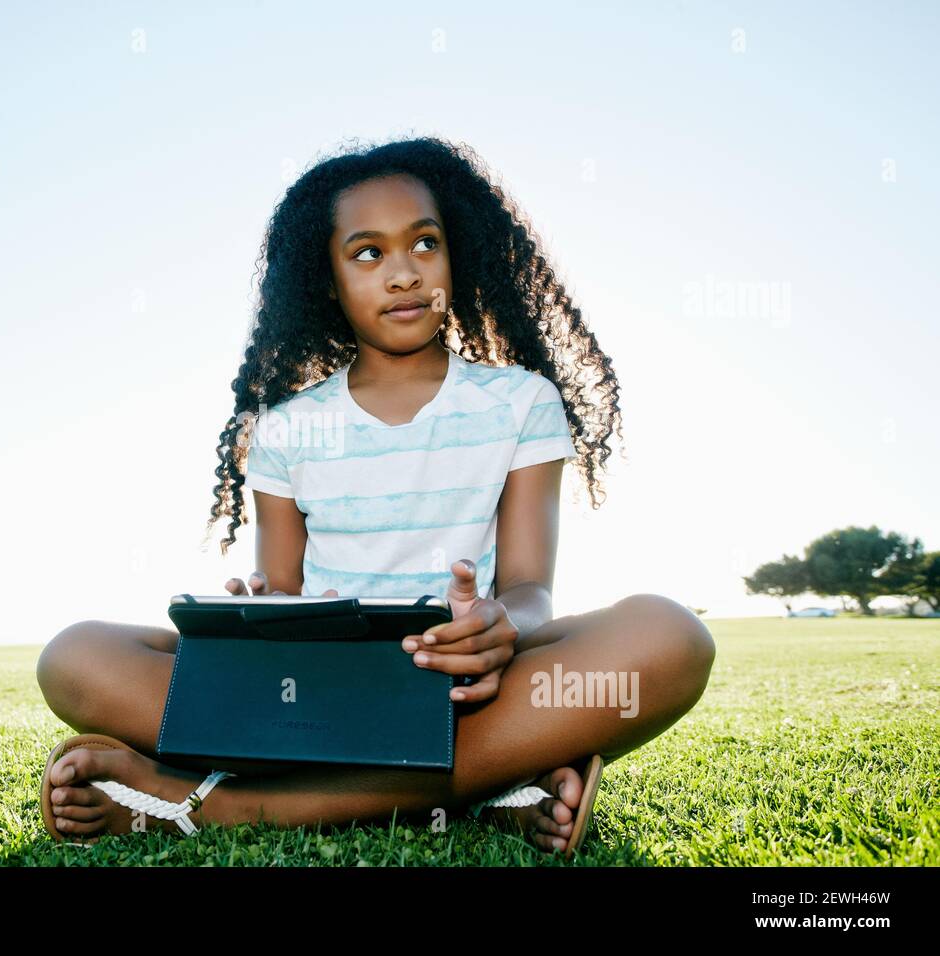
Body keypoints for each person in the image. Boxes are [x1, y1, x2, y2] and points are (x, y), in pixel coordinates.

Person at [36, 136, 716, 854]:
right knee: (74, 655)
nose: (403, 274)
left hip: (463, 689)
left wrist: (496, 626)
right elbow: (286, 594)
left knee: (670, 637)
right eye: (368, 253)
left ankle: (208, 802)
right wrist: (258, 613)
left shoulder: (521, 404)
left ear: (458, 256)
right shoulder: (287, 430)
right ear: (327, 280)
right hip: (320, 692)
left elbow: (527, 589)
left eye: (425, 243)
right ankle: (498, 785)